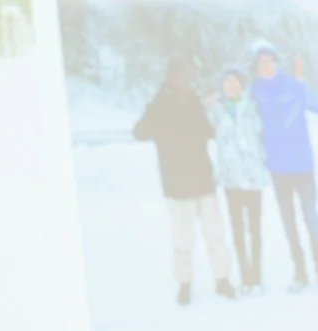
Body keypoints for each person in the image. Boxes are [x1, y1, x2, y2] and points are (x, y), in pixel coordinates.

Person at [134, 58, 235, 306]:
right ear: (169, 77)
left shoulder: (193, 101)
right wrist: (154, 109)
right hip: (177, 186)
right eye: (178, 75)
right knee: (182, 240)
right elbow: (139, 132)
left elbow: (209, 131)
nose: (183, 79)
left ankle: (222, 279)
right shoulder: (158, 105)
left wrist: (218, 112)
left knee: (215, 235)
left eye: (186, 75)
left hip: (203, 181)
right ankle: (184, 284)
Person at [251, 41, 318, 292]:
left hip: (302, 166)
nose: (265, 67)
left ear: (277, 64)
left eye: (269, 62)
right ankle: (300, 272)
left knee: (311, 219)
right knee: (288, 223)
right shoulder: (256, 92)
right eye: (261, 64)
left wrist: (307, 88)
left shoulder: (294, 86)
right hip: (278, 170)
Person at [206, 66, 268, 294]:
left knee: (255, 227)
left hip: (252, 175)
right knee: (237, 228)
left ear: (241, 84)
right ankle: (245, 276)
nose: (231, 85)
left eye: (234, 81)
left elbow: (264, 132)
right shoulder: (216, 110)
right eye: (226, 82)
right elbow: (198, 124)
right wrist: (205, 104)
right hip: (231, 177)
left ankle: (257, 276)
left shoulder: (253, 106)